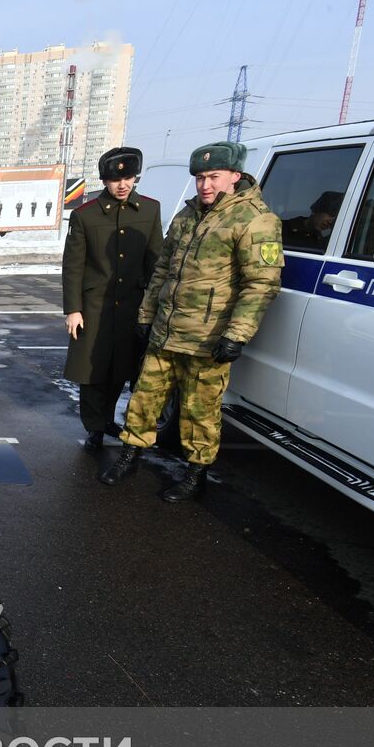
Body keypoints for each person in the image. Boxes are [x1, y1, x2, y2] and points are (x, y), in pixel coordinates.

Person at [99, 140, 284, 501]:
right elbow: (164, 269)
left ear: (235, 176)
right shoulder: (187, 215)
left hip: (208, 338)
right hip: (165, 332)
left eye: (213, 177)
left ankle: (196, 472)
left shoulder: (255, 220)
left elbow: (262, 283)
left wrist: (237, 335)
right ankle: (130, 455)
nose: (205, 185)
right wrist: (147, 314)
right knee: (143, 399)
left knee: (200, 409)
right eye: (199, 177)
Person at [62, 146, 162, 451]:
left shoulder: (149, 209)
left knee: (121, 368)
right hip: (93, 308)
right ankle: (93, 427)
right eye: (116, 180)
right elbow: (73, 266)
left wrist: (154, 306)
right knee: (91, 372)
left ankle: (106, 418)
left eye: (129, 178)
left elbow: (155, 260)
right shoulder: (85, 215)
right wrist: (73, 310)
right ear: (105, 181)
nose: (123, 185)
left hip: (131, 307)